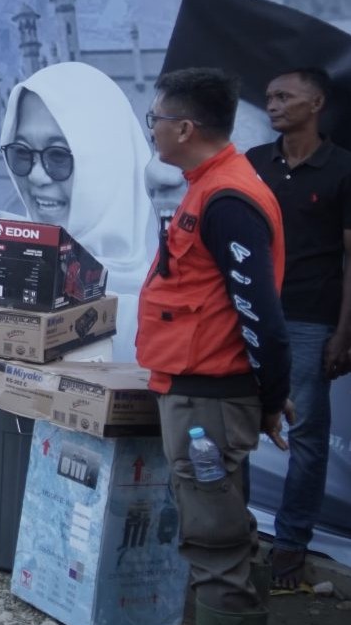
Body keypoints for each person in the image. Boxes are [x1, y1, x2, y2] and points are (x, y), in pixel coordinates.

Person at [138, 68, 293, 624]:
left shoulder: (227, 198)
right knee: (225, 530)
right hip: (202, 395)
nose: (150, 129)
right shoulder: (209, 185)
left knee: (215, 547)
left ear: (184, 128)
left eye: (154, 119)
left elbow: (263, 318)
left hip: (207, 404)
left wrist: (271, 399)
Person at [246, 67, 351, 590]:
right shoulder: (253, 163)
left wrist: (343, 332)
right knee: (234, 425)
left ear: (317, 102)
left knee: (306, 436)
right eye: (268, 96)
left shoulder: (343, 170)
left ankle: (289, 547)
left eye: (285, 96)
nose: (274, 104)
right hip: (250, 315)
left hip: (312, 320)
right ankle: (233, 532)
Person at [0, 62, 157, 348]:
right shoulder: (7, 271)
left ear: (106, 163)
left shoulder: (156, 309)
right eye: (21, 153)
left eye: (58, 156)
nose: (36, 176)